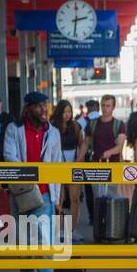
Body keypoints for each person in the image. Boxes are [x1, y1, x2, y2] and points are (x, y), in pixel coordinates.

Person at [3, 91, 63, 272]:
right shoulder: (14, 129)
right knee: (23, 241)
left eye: (45, 105)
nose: (43, 110)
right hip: (22, 193)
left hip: (45, 194)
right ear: (28, 108)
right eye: (38, 106)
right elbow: (10, 157)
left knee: (44, 239)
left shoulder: (53, 133)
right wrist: (29, 178)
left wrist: (56, 199)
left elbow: (57, 165)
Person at [51, 99, 84, 235]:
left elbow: (82, 144)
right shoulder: (52, 127)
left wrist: (79, 159)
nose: (67, 115)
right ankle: (58, 230)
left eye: (69, 111)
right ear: (59, 112)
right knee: (59, 199)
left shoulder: (76, 126)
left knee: (74, 198)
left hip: (74, 164)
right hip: (58, 165)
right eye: (64, 112)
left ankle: (73, 229)